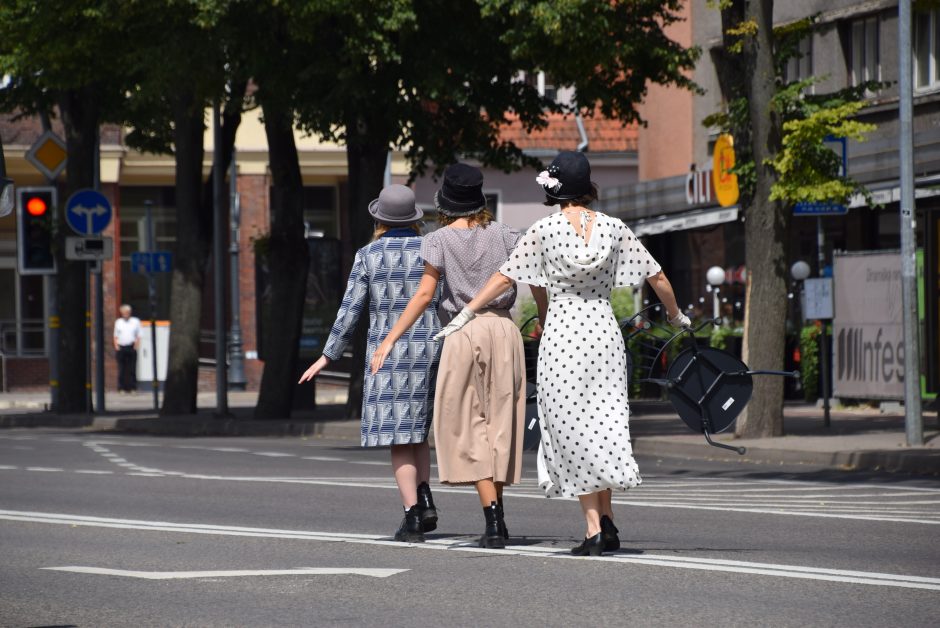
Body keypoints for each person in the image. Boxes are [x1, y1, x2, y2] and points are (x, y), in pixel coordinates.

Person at [437, 151, 691, 556]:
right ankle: (607, 520)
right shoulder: (614, 228)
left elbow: (504, 276)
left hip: (564, 332)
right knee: (604, 422)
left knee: (569, 428)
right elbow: (657, 275)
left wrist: (466, 312)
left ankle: (592, 528)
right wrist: (676, 316)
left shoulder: (543, 230)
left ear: (556, 189)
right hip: (604, 332)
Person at [371, 163, 526, 549]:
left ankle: (493, 521)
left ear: (445, 202)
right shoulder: (507, 235)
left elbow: (425, 295)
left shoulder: (437, 241)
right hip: (505, 330)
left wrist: (390, 338)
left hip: (461, 331)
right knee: (501, 423)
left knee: (468, 424)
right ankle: (498, 514)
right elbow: (531, 280)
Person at [298, 184, 442, 543]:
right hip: (429, 349)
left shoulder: (369, 255)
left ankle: (412, 515)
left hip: (387, 354)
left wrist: (328, 354)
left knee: (399, 437)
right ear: (413, 219)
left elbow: (351, 309)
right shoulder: (431, 248)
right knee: (419, 432)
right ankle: (425, 494)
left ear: (378, 218)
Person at [113, 304, 142, 394]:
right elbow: (115, 336)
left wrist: (136, 345)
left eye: (127, 312)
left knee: (132, 369)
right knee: (122, 369)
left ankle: (133, 388)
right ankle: (121, 388)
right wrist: (117, 346)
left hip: (131, 346)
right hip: (121, 347)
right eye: (124, 312)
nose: (126, 314)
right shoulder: (118, 322)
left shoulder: (135, 321)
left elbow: (139, 335)